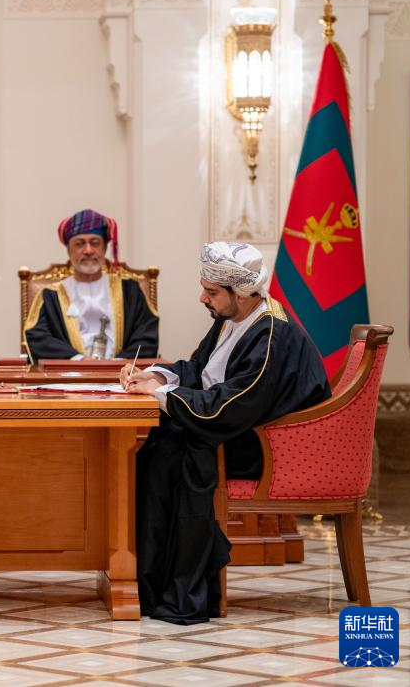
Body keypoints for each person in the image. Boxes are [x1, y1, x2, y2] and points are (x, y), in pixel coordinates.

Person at [121, 242, 331, 624]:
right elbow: (200, 369)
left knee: (170, 454)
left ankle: (180, 592)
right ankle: (148, 585)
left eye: (212, 292)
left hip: (265, 448)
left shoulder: (271, 335)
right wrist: (156, 377)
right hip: (236, 431)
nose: (203, 298)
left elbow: (230, 407)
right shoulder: (231, 318)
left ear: (242, 292)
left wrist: (161, 396)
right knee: (153, 446)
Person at [24, 209, 158, 362]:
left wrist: (115, 364)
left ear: (105, 248)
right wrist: (79, 360)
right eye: (79, 244)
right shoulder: (50, 295)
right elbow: (39, 338)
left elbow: (146, 337)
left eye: (95, 243)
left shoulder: (130, 291)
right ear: (68, 250)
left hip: (122, 372)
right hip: (69, 373)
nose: (88, 250)